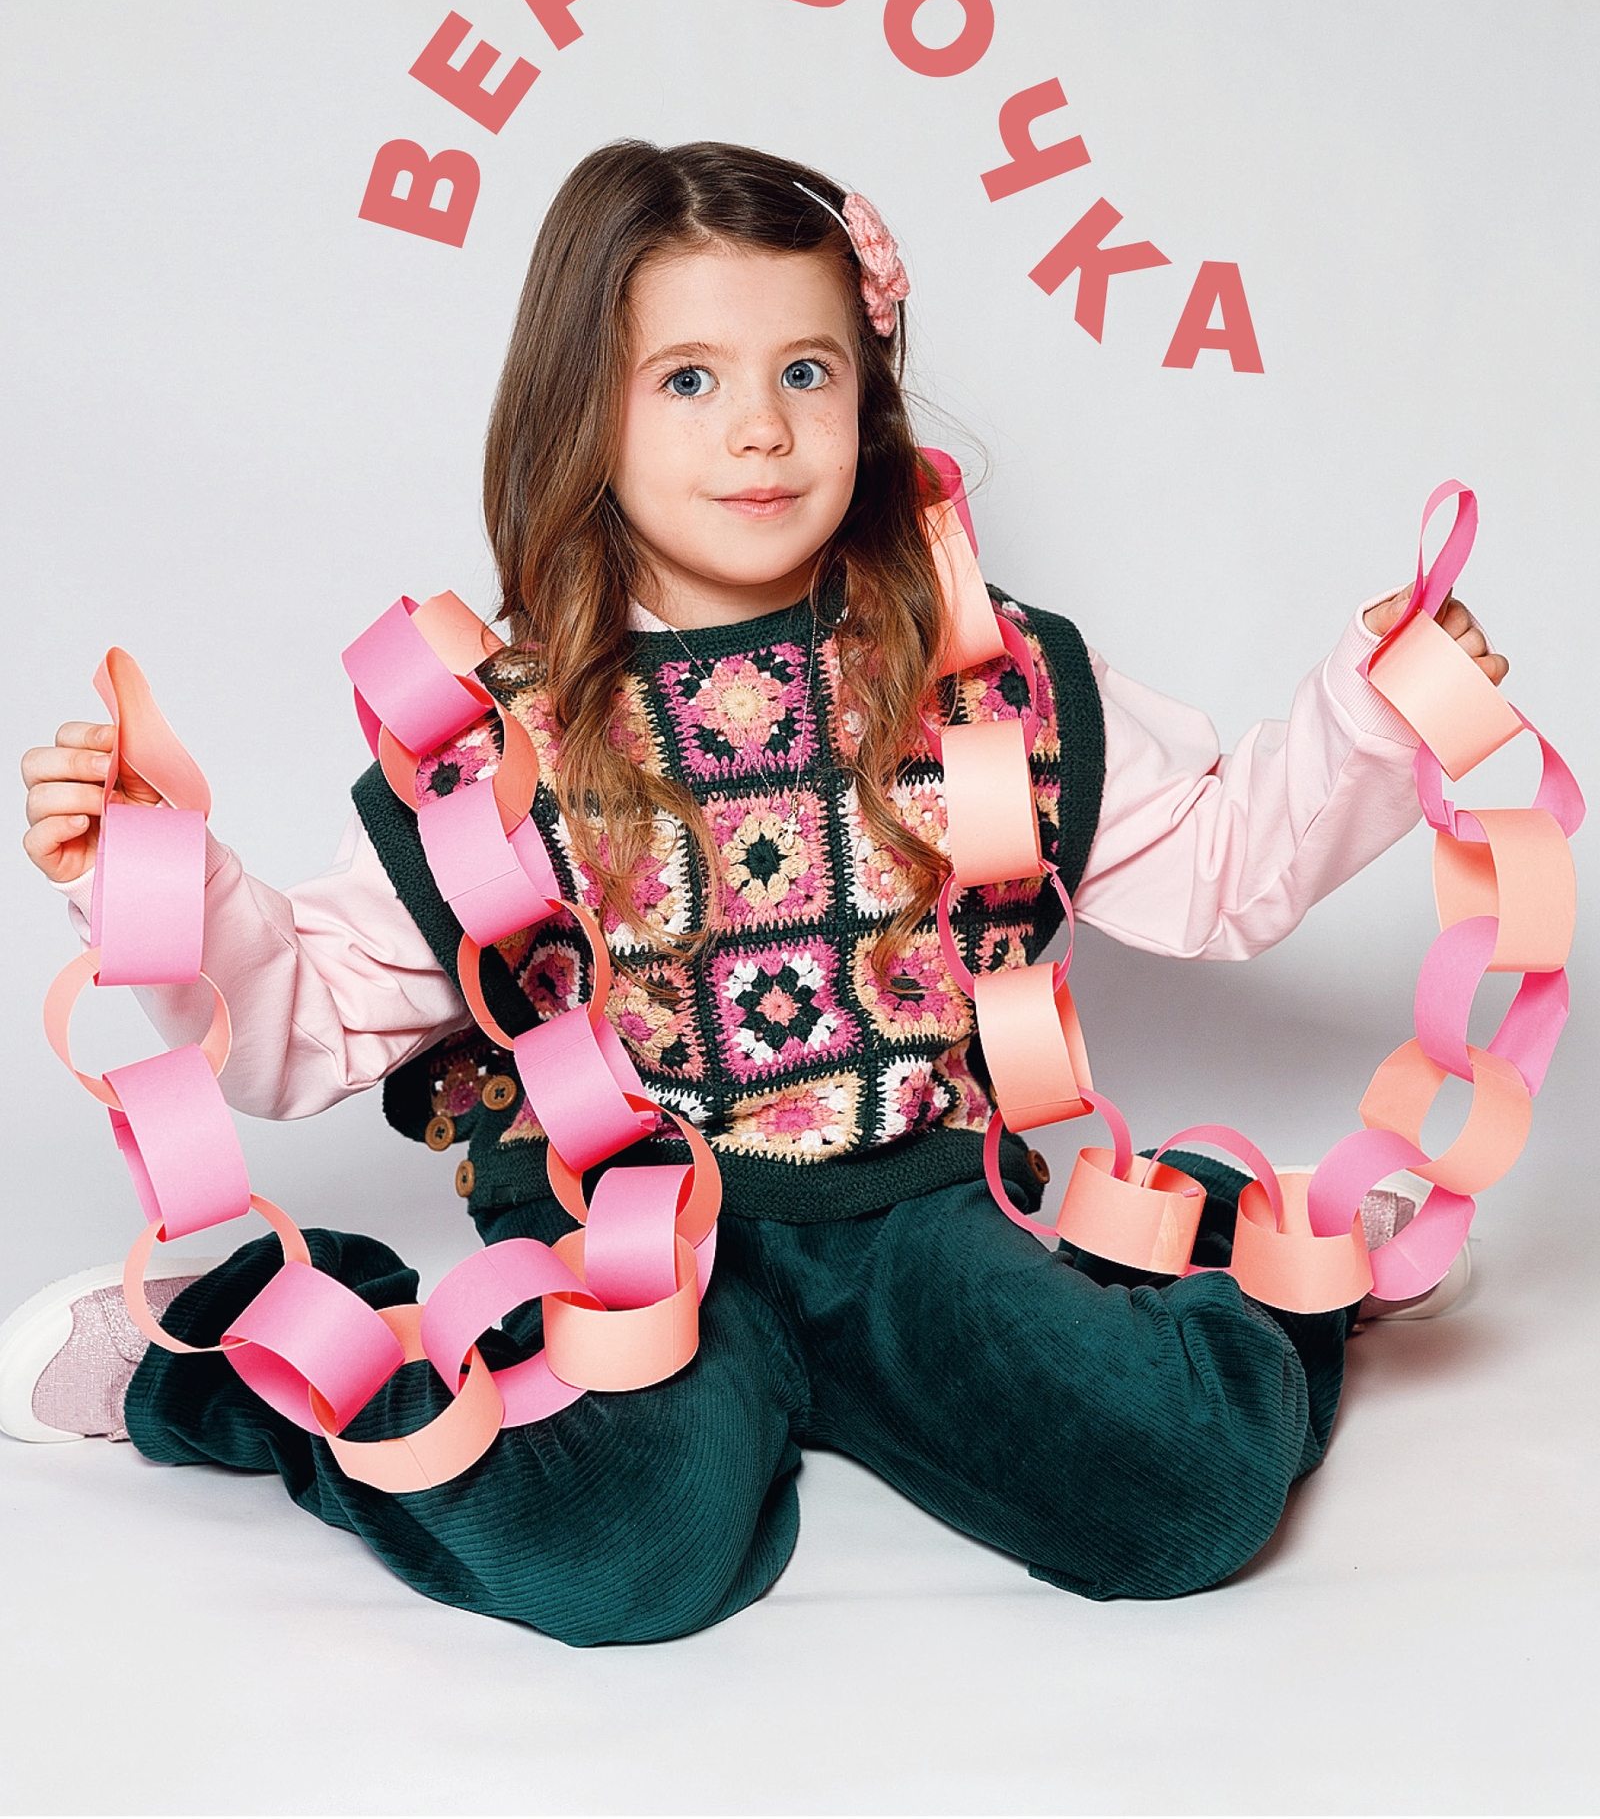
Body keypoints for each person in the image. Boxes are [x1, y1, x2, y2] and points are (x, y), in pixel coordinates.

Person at [4, 140, 1507, 1646]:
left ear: (868, 391)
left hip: (911, 1212)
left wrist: (1373, 721)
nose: (760, 430)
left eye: (805, 371)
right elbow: (304, 1028)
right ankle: (210, 1351)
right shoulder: (502, 748)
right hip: (624, 1237)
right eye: (687, 380)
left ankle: (1264, 1255)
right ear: (582, 412)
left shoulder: (981, 683)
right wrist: (162, 883)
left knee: (1183, 1495)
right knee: (609, 1556)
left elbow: (1218, 870)